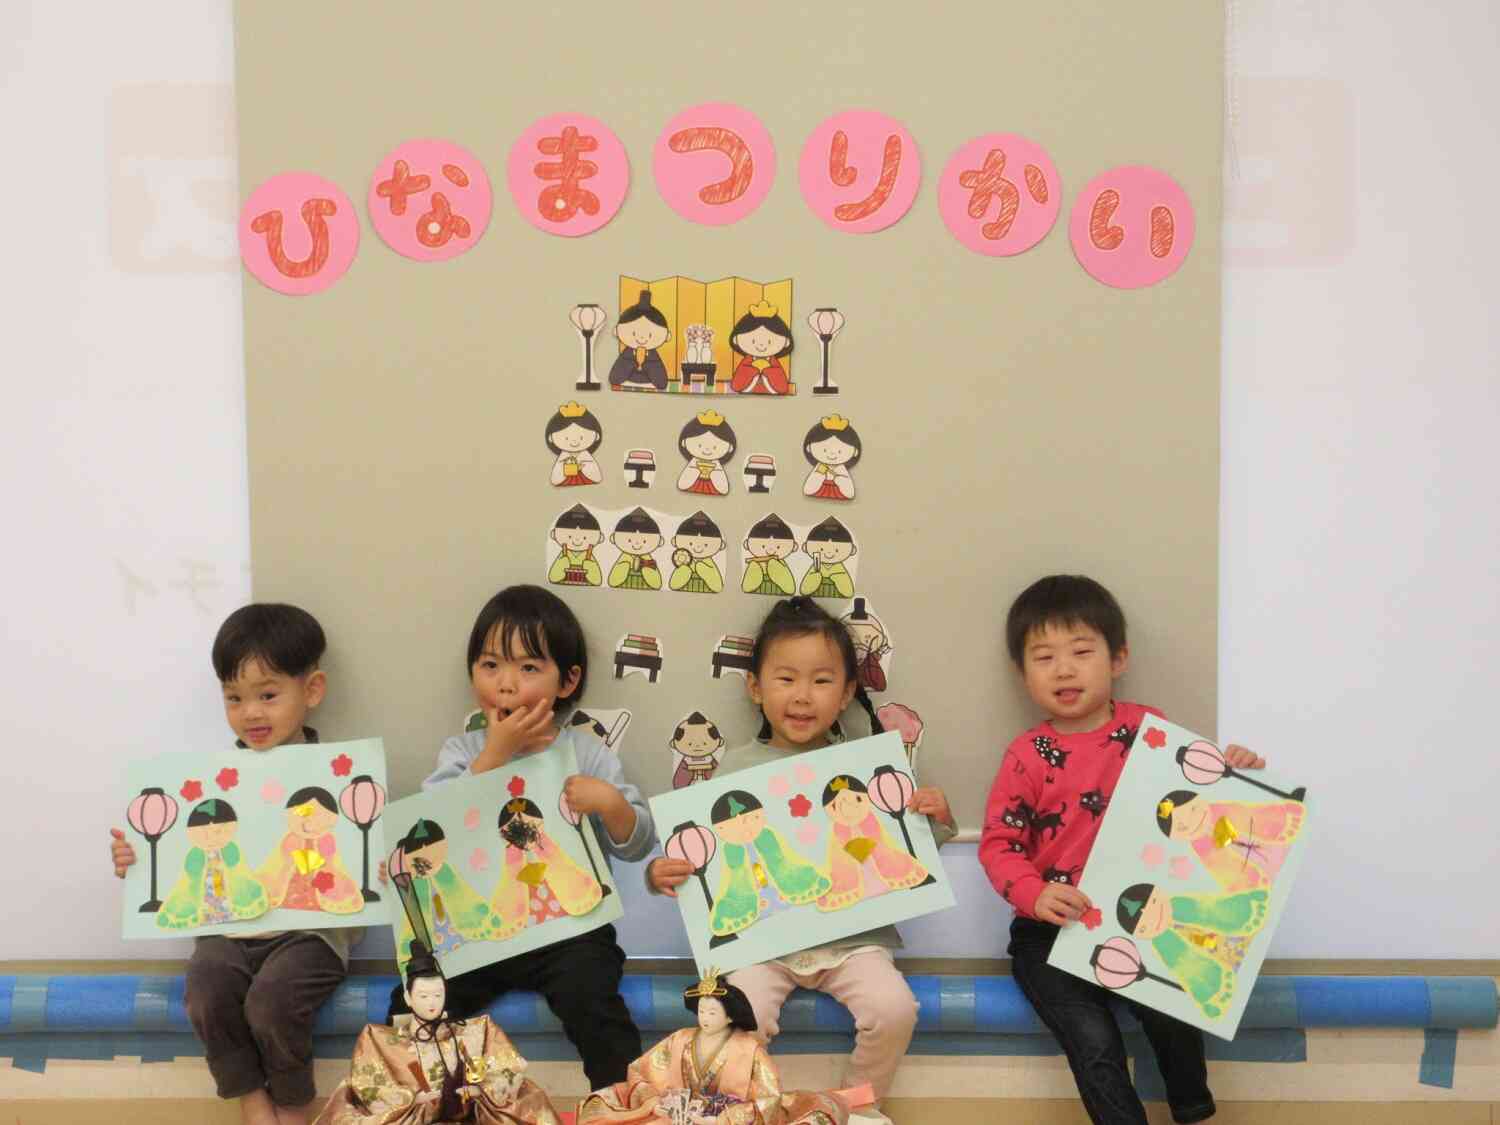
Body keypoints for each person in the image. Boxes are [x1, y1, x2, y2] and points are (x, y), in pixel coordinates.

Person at [647, 597, 954, 1125]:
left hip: (854, 939)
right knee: (736, 1014)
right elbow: (700, 862)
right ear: (755, 687)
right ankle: (740, 1109)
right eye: (786, 678)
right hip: (764, 945)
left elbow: (910, 851)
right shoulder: (731, 770)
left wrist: (938, 816)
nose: (803, 695)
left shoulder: (866, 764)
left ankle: (856, 1107)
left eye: (822, 680)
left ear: (847, 692)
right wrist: (660, 874)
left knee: (894, 1008)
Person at [978, 575, 1271, 1125]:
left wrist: (1238, 774)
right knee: (1094, 1041)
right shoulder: (1025, 755)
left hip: (1141, 919)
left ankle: (1193, 1109)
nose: (1064, 669)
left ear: (1118, 659)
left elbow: (1198, 806)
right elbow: (1000, 844)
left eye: (1081, 651)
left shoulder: (1150, 732)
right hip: (1048, 934)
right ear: (1023, 673)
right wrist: (1035, 894)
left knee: (1174, 1007)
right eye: (1044, 657)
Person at [388, 585, 656, 1091]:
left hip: (570, 932)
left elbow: (636, 844)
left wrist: (611, 803)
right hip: (478, 931)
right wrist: (493, 755)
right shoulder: (461, 751)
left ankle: (623, 1104)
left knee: (594, 1000)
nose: (507, 684)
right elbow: (432, 834)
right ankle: (417, 1102)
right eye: (490, 665)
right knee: (416, 998)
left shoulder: (588, 754)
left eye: (529, 667)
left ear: (568, 680)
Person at [109, 603, 352, 1125]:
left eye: (268, 695)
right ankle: (250, 1099)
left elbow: (352, 859)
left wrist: (371, 864)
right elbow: (182, 859)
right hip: (228, 930)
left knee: (272, 1002)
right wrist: (136, 862)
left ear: (311, 690)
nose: (251, 713)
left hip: (311, 935)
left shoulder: (339, 777)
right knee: (205, 988)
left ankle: (292, 1106)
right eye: (234, 698)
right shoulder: (209, 784)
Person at [316, 870, 561, 1125]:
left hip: (508, 938)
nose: (431, 1002)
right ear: (410, 998)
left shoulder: (478, 1032)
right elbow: (372, 1084)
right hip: (412, 1108)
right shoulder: (378, 1039)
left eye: (437, 995)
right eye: (423, 995)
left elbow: (505, 1069)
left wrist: (477, 1090)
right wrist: (412, 1098)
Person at [577, 971, 849, 1125]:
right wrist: (655, 1102)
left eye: (712, 1013)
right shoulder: (680, 1038)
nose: (704, 1018)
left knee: (815, 1117)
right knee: (601, 1103)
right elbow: (641, 1071)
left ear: (730, 1017)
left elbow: (768, 1098)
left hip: (726, 1119)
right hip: (677, 1117)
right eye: (701, 1011)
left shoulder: (749, 1048)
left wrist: (724, 1119)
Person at [728, 300, 795, 395]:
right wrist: (752, 370)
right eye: (753, 341)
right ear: (736, 339)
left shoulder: (774, 363)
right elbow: (736, 385)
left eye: (769, 342)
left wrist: (768, 371)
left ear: (786, 342)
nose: (761, 345)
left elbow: (782, 387)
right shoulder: (747, 361)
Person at [608, 290, 671, 391]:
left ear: (667, 336)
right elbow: (614, 378)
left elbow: (661, 383)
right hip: (626, 385)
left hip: (650, 386)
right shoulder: (627, 354)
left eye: (650, 335)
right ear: (617, 331)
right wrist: (633, 362)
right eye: (634, 333)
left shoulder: (653, 356)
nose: (642, 338)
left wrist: (647, 363)